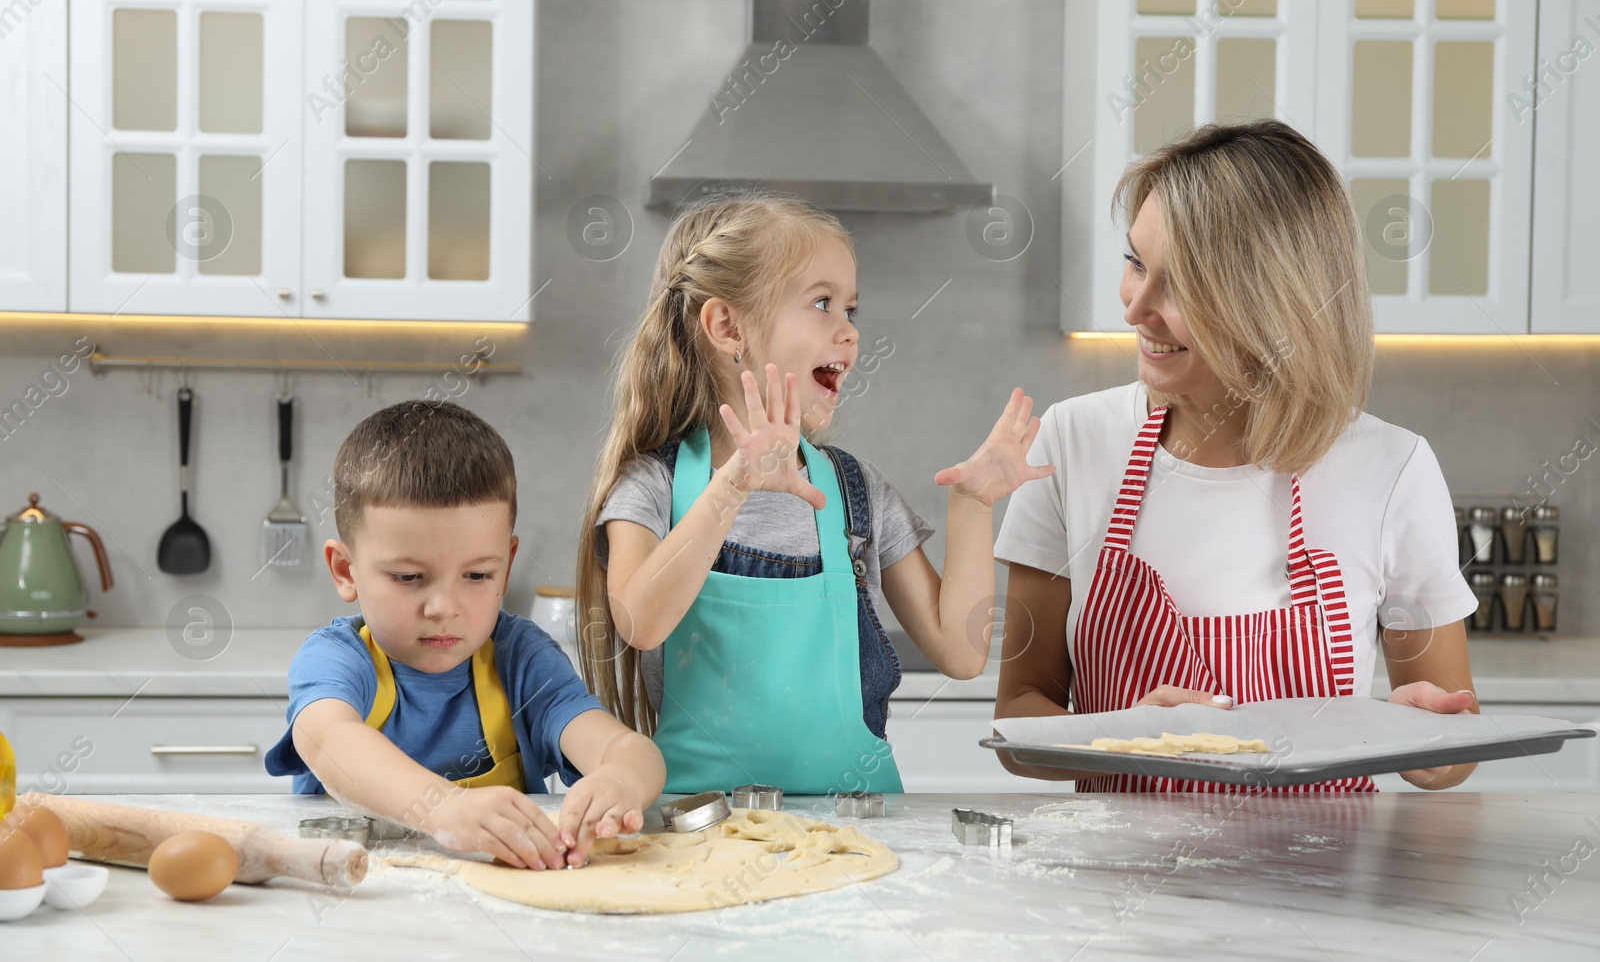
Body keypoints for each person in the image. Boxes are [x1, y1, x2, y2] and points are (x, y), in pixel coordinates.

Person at [993, 120, 1478, 793]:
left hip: (1314, 890)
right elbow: (1017, 723)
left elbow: (1453, 744)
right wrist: (1124, 736)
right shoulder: (1073, 442)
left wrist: (1429, 743)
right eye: (1135, 262)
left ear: (1276, 304)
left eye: (1181, 285)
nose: (1135, 307)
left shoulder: (1393, 468)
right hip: (1113, 888)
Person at [578, 192, 1051, 795]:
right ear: (728, 326)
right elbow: (641, 622)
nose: (849, 331)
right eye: (821, 303)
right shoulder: (653, 487)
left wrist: (975, 504)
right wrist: (735, 485)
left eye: (851, 307)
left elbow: (959, 653)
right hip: (695, 834)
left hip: (856, 831)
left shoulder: (858, 493)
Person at [265, 401, 664, 867]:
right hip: (358, 902)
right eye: (408, 577)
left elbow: (630, 749)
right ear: (344, 569)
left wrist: (621, 781)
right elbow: (328, 741)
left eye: (476, 576)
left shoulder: (522, 661)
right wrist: (443, 808)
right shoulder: (338, 659)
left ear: (507, 564)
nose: (443, 608)